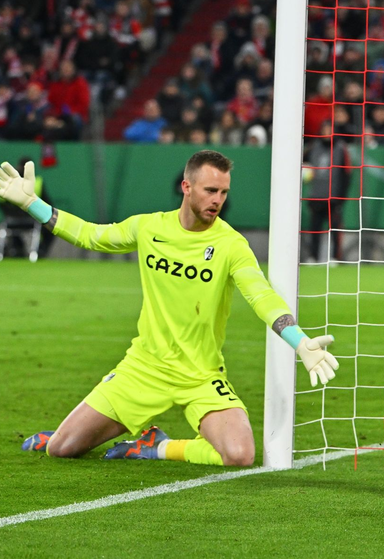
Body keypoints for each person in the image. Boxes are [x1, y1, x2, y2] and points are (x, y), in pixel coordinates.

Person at [0, 150, 339, 466]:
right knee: (63, 448)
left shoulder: (231, 244)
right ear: (186, 186)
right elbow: (91, 235)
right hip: (144, 368)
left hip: (201, 375)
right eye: (210, 190)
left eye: (223, 192)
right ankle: (63, 434)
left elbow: (261, 295)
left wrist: (298, 340)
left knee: (240, 454)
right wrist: (33, 204)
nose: (218, 200)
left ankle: (156, 446)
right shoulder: (149, 228)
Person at [303, 120, 351, 262]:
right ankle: (313, 257)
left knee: (335, 229)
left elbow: (347, 174)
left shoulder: (341, 148)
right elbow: (303, 163)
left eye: (329, 130)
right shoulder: (313, 147)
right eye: (324, 130)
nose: (326, 133)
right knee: (315, 229)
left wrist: (341, 198)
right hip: (316, 196)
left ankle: (335, 258)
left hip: (333, 197)